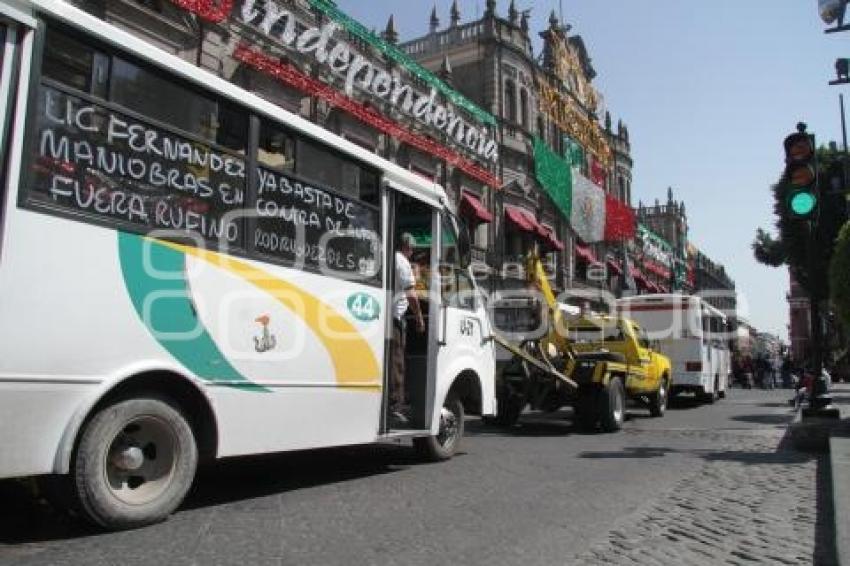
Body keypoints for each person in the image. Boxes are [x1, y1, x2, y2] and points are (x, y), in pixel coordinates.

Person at [390, 233, 425, 425]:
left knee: (391, 360)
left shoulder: (390, 257)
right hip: (395, 318)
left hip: (388, 317)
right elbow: (411, 294)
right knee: (397, 362)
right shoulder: (402, 261)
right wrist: (419, 317)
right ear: (407, 247)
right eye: (412, 249)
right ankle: (395, 407)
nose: (412, 253)